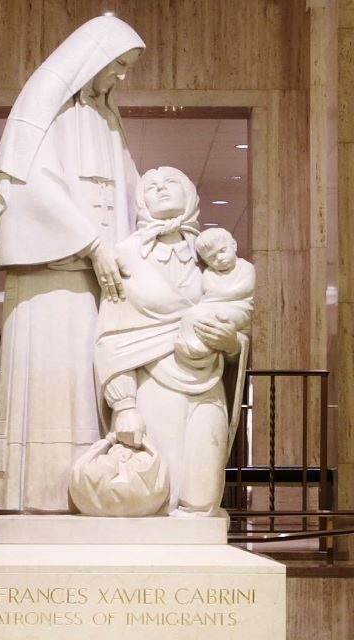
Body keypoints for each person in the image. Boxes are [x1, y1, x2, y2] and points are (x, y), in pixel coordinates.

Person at [0, 16, 145, 511]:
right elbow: (28, 185)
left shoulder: (106, 118)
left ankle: (96, 496)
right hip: (50, 282)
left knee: (94, 385)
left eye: (126, 68)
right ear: (91, 60)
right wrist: (90, 243)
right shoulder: (45, 112)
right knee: (53, 387)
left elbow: (131, 193)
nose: (120, 76)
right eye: (116, 65)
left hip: (98, 287)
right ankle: (44, 500)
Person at [95, 167, 252, 516]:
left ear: (190, 195)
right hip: (154, 384)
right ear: (141, 201)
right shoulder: (126, 256)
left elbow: (236, 313)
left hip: (208, 383)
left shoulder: (211, 253)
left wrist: (231, 343)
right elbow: (112, 337)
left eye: (171, 183)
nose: (161, 189)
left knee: (201, 499)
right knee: (161, 497)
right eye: (151, 186)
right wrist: (123, 406)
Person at [175, 227, 255, 365]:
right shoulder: (209, 273)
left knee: (214, 320)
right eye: (212, 257)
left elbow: (243, 289)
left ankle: (201, 350)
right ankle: (190, 345)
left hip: (239, 308)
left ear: (234, 245)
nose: (219, 258)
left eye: (222, 251)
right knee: (191, 314)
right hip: (213, 306)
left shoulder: (246, 267)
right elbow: (209, 291)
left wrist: (216, 298)